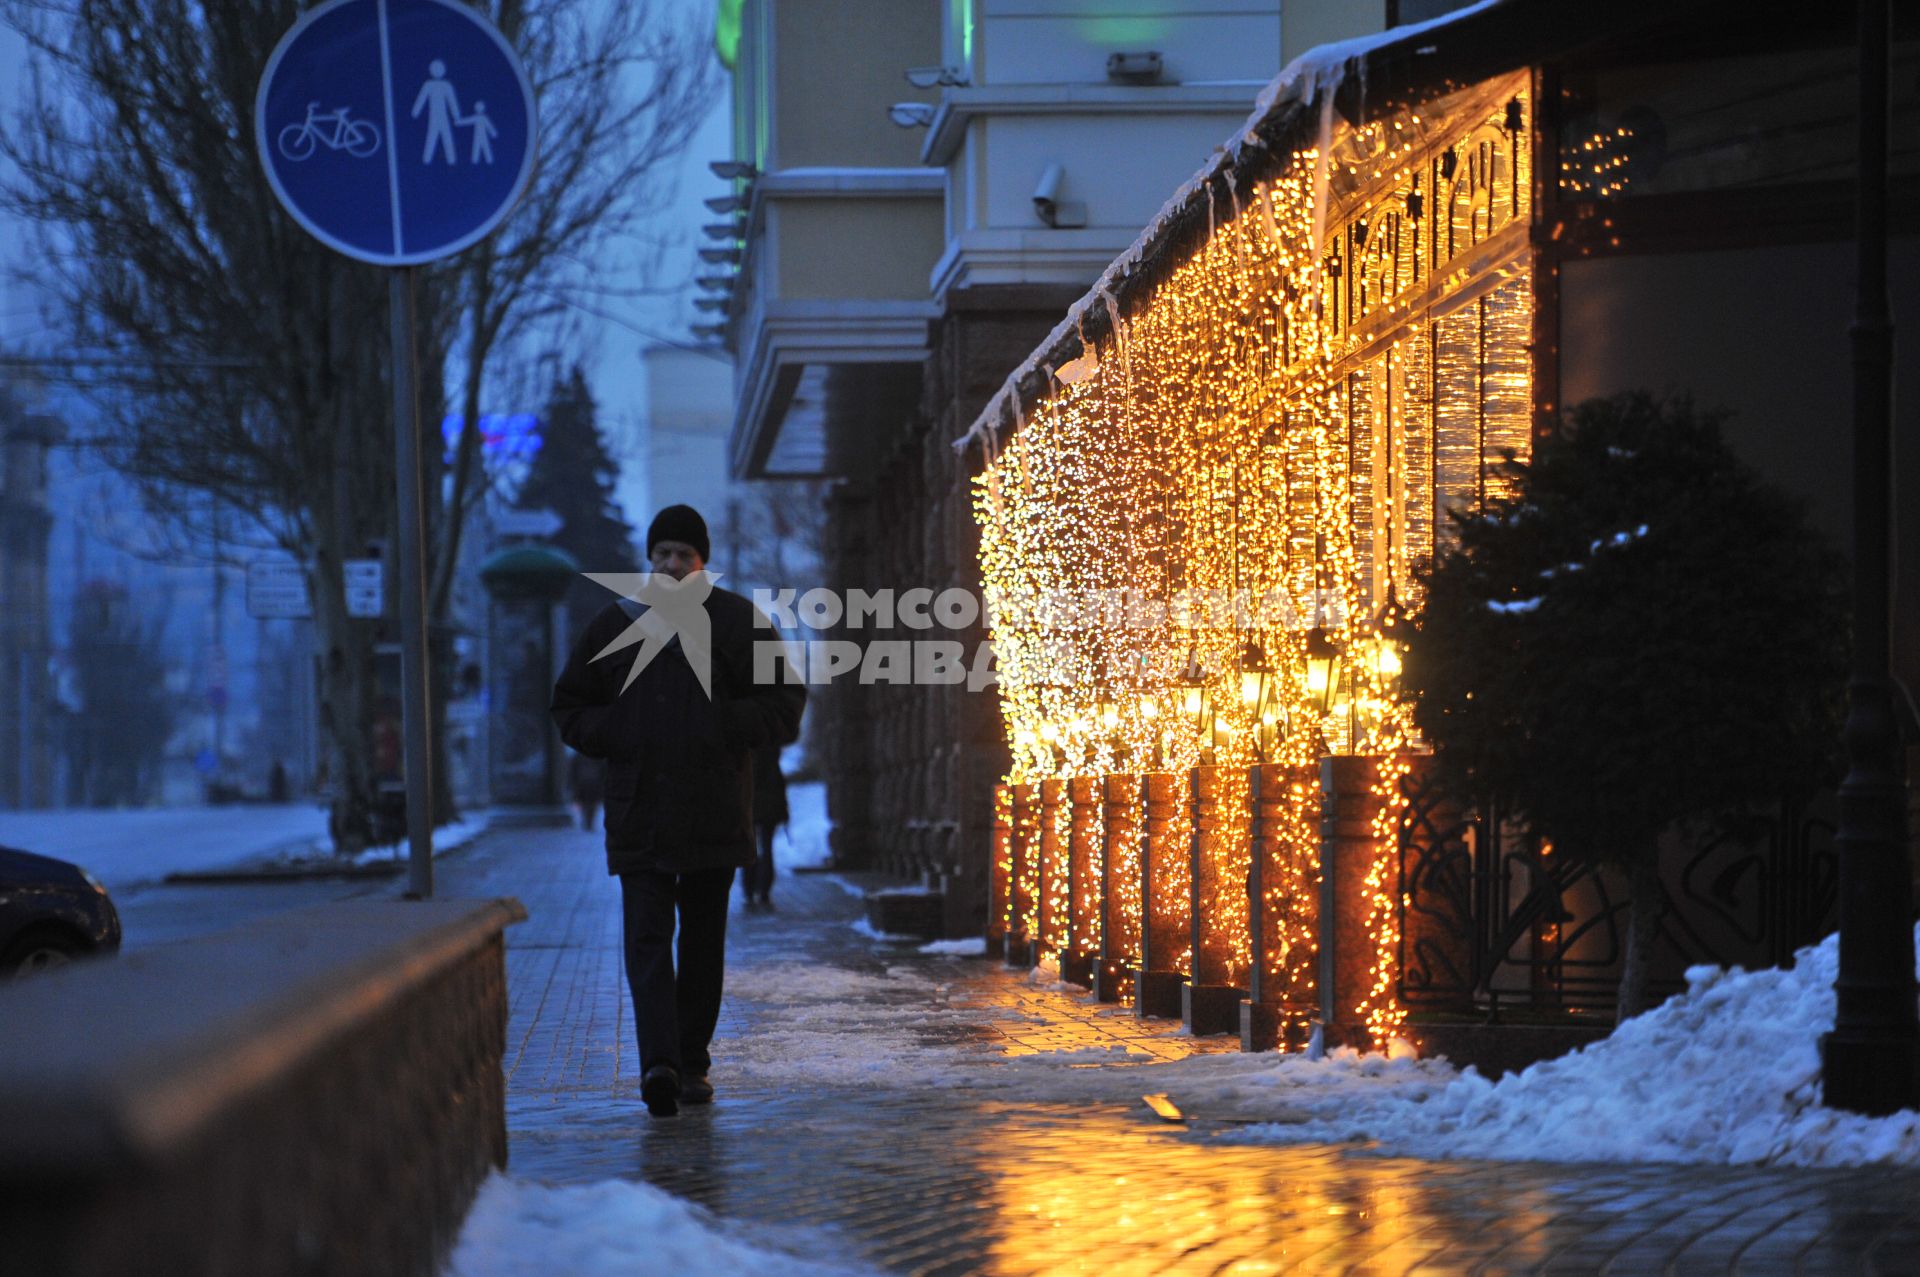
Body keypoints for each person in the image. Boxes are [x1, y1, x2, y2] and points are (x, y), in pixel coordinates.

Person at [550, 504, 804, 1118]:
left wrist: (721, 724)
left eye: (683, 554)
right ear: (649, 559)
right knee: (646, 940)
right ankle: (659, 1064)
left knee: (702, 945)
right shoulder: (614, 623)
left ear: (701, 562)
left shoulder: (739, 622)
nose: (671, 563)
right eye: (662, 552)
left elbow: (786, 702)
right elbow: (569, 707)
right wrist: (619, 732)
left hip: (714, 809)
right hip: (639, 812)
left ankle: (692, 1062)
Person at [744, 744, 788, 908]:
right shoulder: (771, 751)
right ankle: (763, 891)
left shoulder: (749, 754)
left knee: (751, 849)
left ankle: (750, 890)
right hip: (770, 807)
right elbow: (778, 782)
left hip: (752, 806)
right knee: (766, 848)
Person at [567, 748, 604, 831]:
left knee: (587, 804)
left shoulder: (577, 756)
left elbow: (572, 772)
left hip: (584, 783)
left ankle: (587, 822)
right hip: (592, 783)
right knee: (590, 804)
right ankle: (588, 822)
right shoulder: (597, 756)